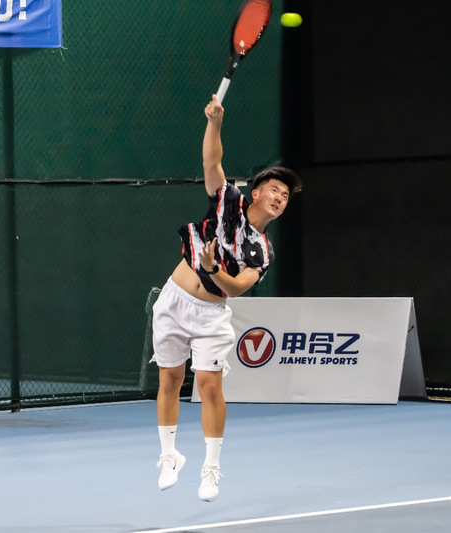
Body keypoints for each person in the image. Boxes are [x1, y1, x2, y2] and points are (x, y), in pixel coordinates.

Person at [150, 95, 301, 502]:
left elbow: (236, 288)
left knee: (209, 387)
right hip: (173, 301)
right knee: (169, 379)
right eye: (274, 190)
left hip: (211, 314)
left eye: (285, 197)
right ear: (256, 192)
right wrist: (214, 122)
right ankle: (169, 456)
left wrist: (213, 268)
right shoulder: (227, 201)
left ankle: (211, 469)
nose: (280, 198)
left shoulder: (263, 250)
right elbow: (211, 162)